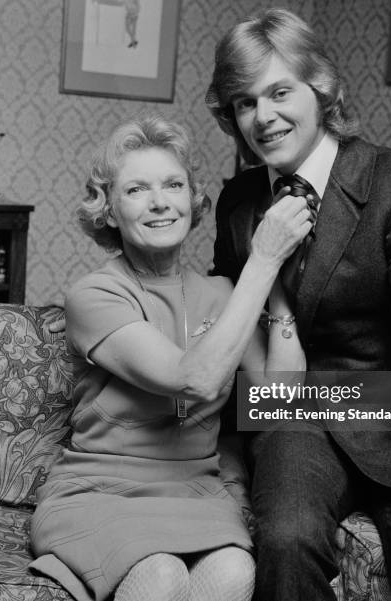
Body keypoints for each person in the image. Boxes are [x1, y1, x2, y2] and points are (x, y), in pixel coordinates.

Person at [205, 7, 391, 601]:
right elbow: (230, 333)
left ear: (321, 88)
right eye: (244, 102)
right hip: (292, 420)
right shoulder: (237, 202)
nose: (264, 116)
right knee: (284, 538)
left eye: (281, 91)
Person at [30, 115, 309, 601]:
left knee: (233, 573)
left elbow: (280, 400)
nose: (160, 202)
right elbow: (193, 378)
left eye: (174, 185)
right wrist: (262, 261)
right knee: (158, 575)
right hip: (101, 491)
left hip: (195, 490)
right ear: (110, 211)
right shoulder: (95, 295)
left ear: (192, 200)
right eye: (137, 190)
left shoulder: (224, 293)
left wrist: (278, 291)